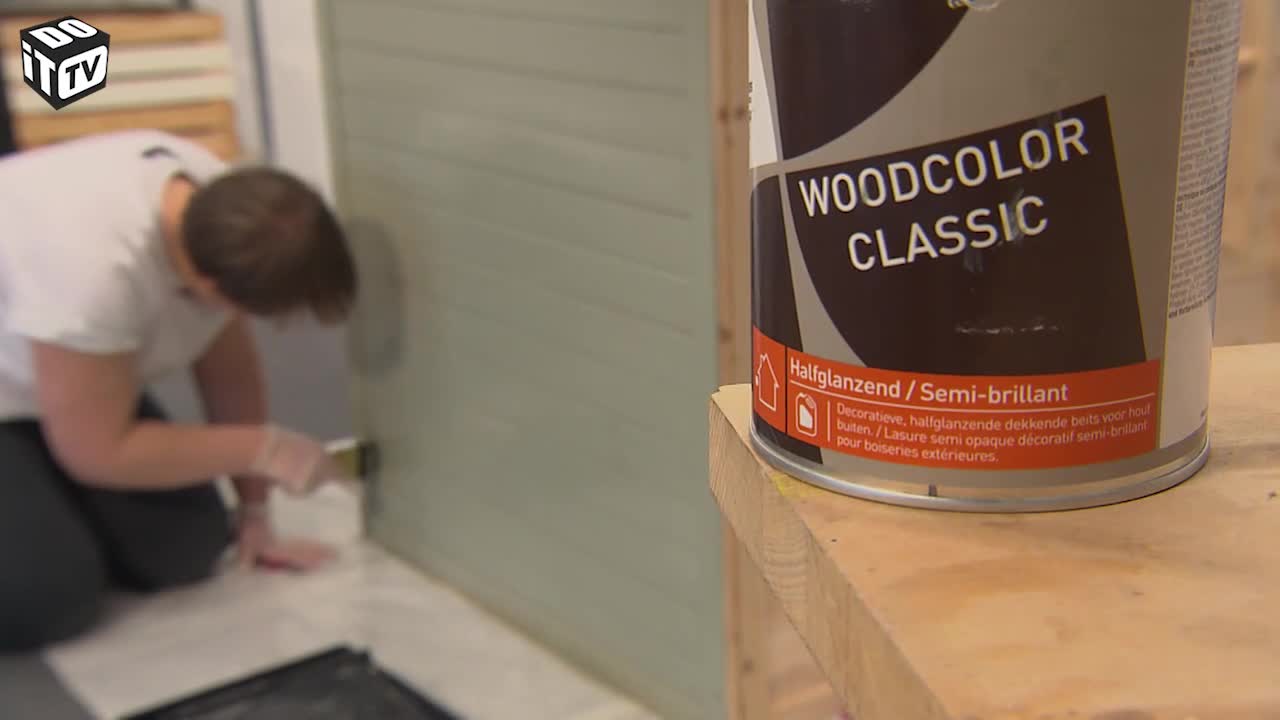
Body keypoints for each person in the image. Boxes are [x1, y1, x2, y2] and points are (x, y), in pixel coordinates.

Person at [0, 129, 356, 651]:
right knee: (45, 598)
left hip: (66, 376)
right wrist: (265, 448)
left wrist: (255, 511)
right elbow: (95, 453)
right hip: (18, 388)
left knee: (187, 548)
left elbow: (228, 368)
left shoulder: (224, 213)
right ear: (210, 287)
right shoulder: (93, 273)